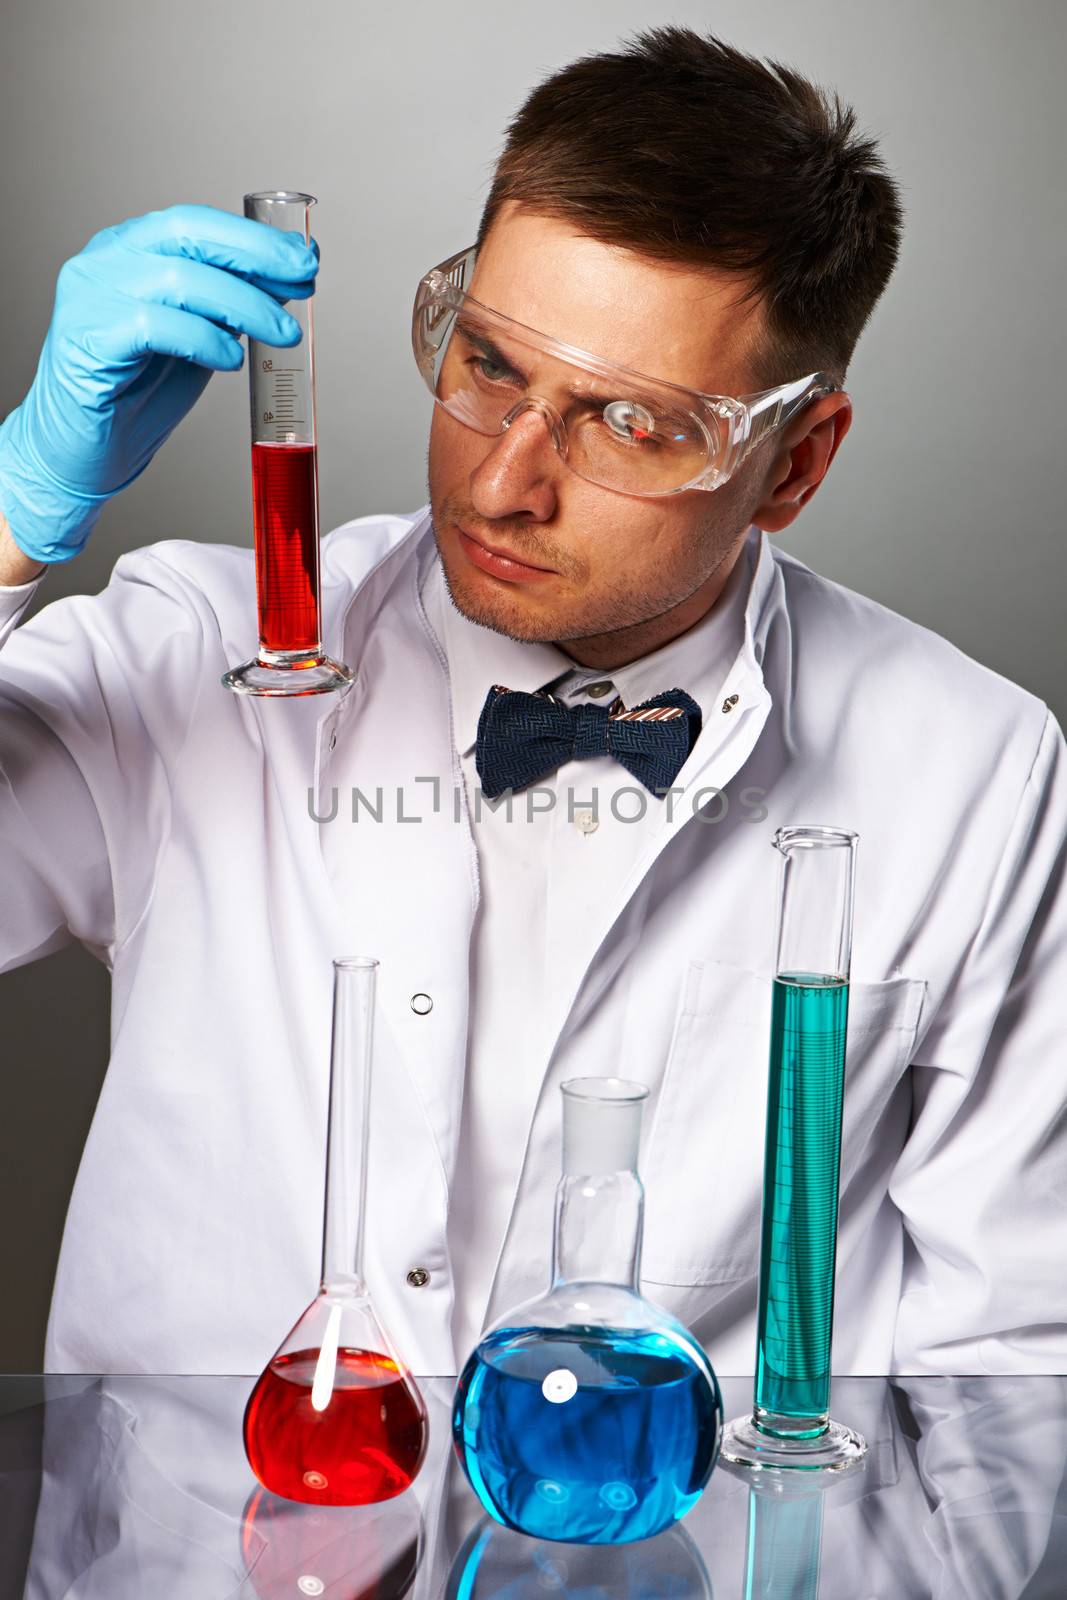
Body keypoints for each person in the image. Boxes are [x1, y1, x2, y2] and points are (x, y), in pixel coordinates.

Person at [0, 27, 1064, 1380]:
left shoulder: (974, 770)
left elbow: (1015, 1372)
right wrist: (7, 522)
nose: (505, 482)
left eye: (627, 422)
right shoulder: (201, 651)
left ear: (793, 464)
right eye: (492, 365)